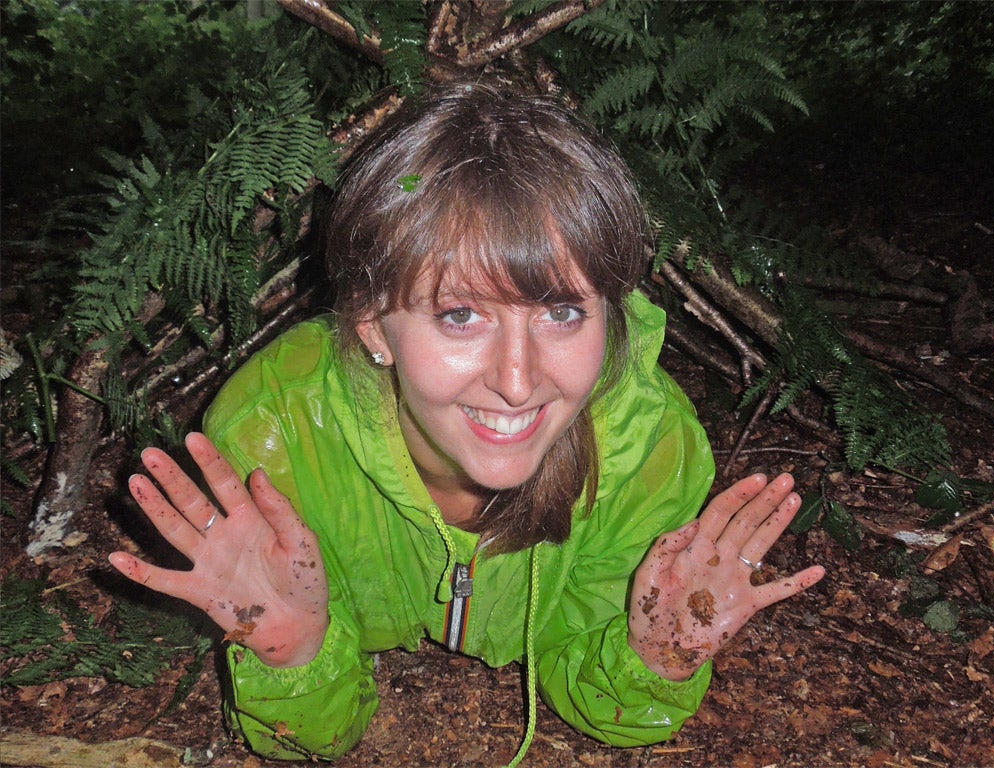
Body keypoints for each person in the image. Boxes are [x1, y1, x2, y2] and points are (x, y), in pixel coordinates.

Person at [108, 80, 825, 764]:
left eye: (563, 311)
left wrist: (655, 655)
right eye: (459, 315)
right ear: (374, 326)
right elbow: (313, 741)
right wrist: (292, 649)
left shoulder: (645, 447)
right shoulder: (282, 438)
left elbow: (595, 700)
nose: (518, 380)